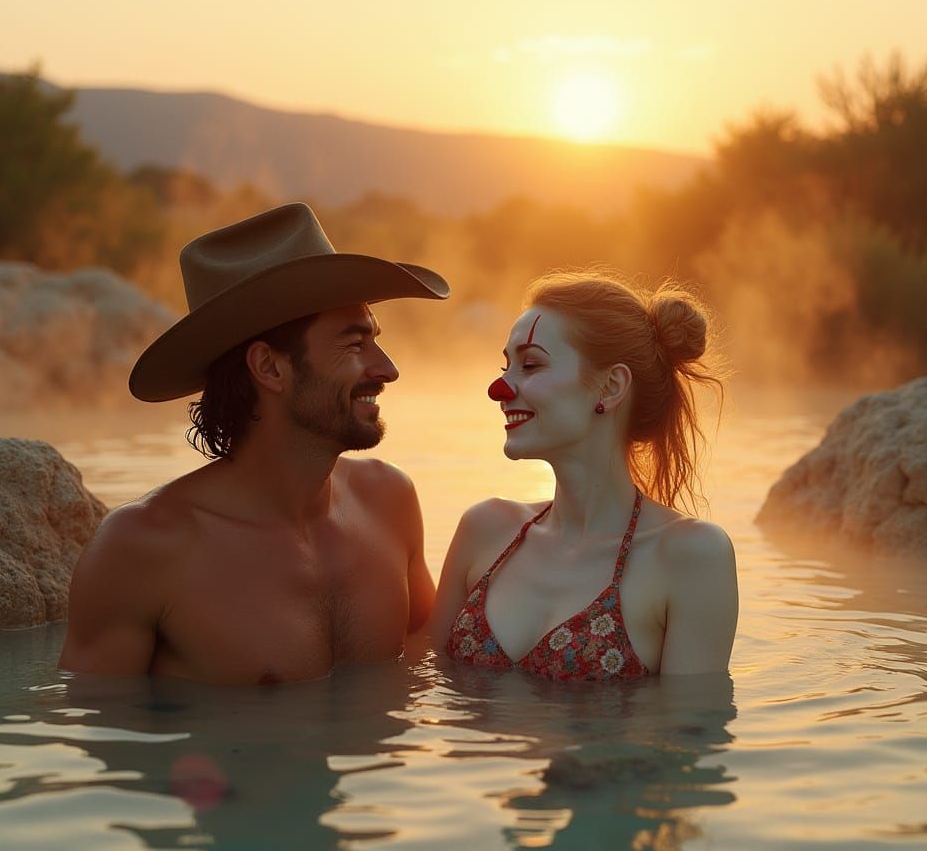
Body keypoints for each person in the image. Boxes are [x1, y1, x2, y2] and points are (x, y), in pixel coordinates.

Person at [60, 202, 449, 684]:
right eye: (354, 343)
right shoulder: (144, 548)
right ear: (269, 368)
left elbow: (429, 674)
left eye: (375, 339)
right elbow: (100, 739)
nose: (387, 368)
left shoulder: (390, 501)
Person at [430, 271, 738, 678]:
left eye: (531, 364)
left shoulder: (691, 556)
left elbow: (689, 731)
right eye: (506, 366)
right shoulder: (484, 528)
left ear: (610, 387)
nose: (500, 389)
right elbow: (423, 689)